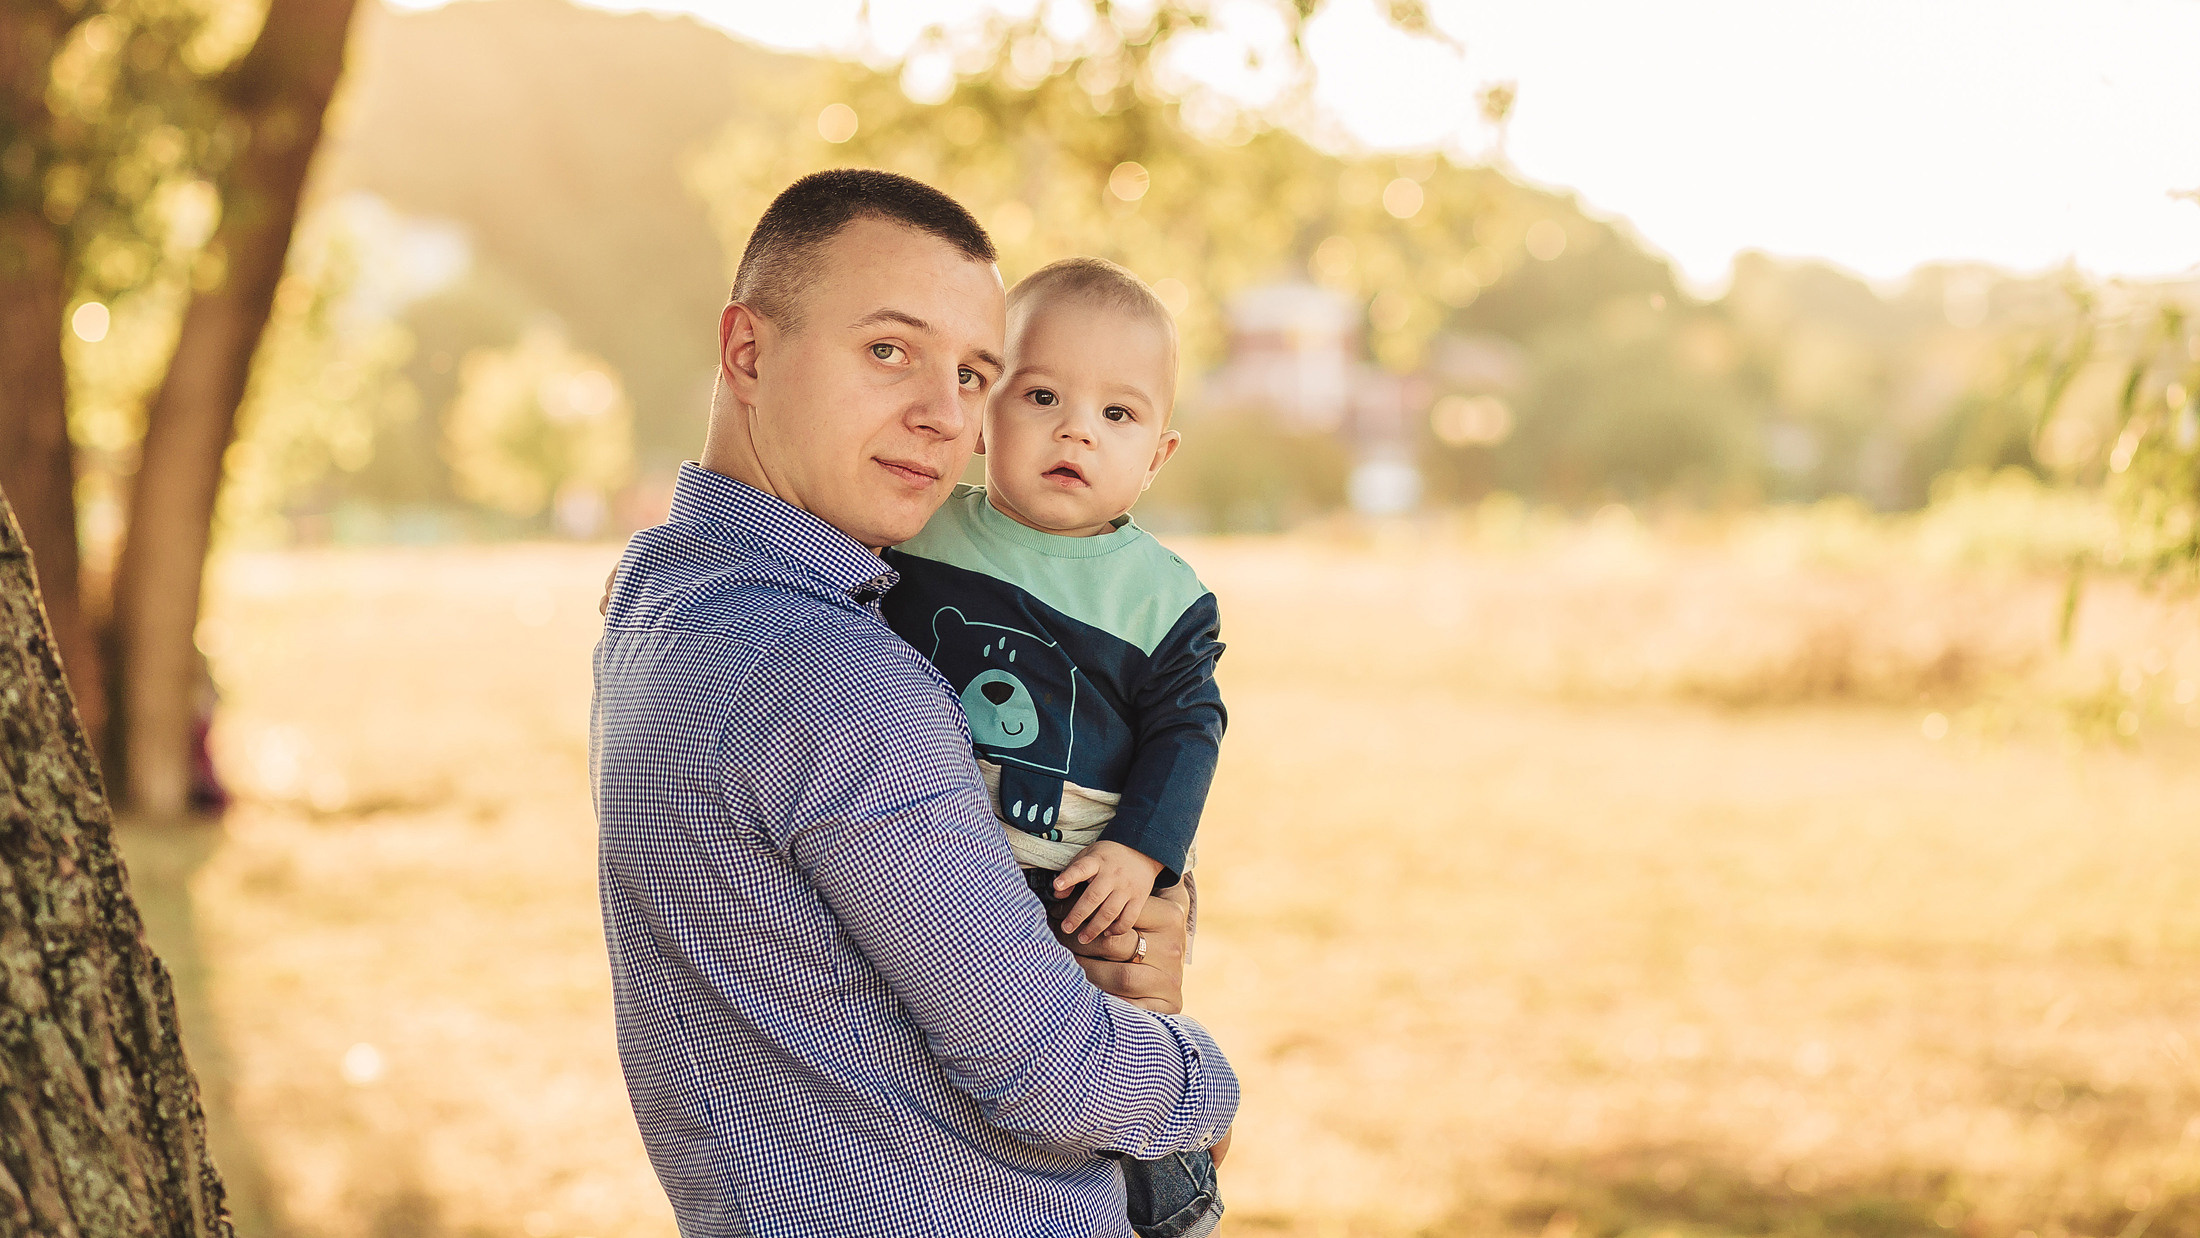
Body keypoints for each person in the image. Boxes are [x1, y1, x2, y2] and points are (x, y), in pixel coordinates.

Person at [591, 169, 1237, 1238]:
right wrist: (1205, 1088)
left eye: (976, 372)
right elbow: (1055, 1074)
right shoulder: (832, 677)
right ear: (747, 352)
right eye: (889, 350)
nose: (944, 418)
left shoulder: (661, 589)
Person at [880, 257, 1228, 1233]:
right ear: (985, 408)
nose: (1076, 427)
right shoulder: (921, 532)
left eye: (1116, 415)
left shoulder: (1160, 597)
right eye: (1042, 395)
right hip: (960, 865)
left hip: (1092, 875)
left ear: (1156, 455)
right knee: (990, 1069)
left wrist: (1143, 849)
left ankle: (1172, 1205)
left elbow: (1188, 729)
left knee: (1116, 1051)